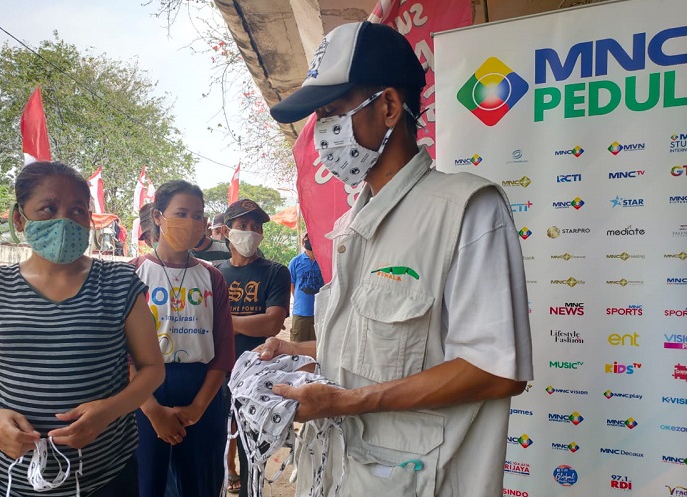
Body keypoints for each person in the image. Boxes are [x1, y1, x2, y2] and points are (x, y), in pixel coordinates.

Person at [261, 21, 533, 497]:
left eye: (331, 113)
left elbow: (494, 369)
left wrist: (347, 403)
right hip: (335, 475)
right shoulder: (350, 226)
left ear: (388, 106)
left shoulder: (465, 210)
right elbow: (371, 352)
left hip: (415, 481)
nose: (321, 133)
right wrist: (299, 355)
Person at [0, 161, 165, 497]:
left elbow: (152, 369)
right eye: (48, 208)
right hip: (4, 480)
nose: (64, 220)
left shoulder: (120, 283)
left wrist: (107, 412)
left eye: (77, 210)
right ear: (20, 218)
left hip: (104, 478)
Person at [129, 180, 235, 497]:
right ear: (158, 217)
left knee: (200, 482)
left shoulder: (212, 277)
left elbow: (223, 350)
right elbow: (121, 352)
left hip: (203, 389)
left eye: (197, 215)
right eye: (181, 213)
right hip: (142, 391)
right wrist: (151, 409)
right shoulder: (132, 274)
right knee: (145, 483)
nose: (191, 222)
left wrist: (199, 407)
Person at [216, 199, 290, 496]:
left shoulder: (275, 272)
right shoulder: (214, 273)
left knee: (253, 446)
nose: (250, 232)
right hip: (217, 371)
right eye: (242, 226)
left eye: (256, 227)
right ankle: (226, 472)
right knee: (221, 436)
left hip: (257, 374)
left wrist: (222, 320)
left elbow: (271, 323)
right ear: (226, 231)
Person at [287, 232, 324, 342]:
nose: (310, 240)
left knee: (317, 348)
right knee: (296, 347)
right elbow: (292, 285)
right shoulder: (295, 262)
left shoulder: (324, 261)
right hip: (300, 313)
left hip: (320, 314)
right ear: (303, 242)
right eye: (307, 238)